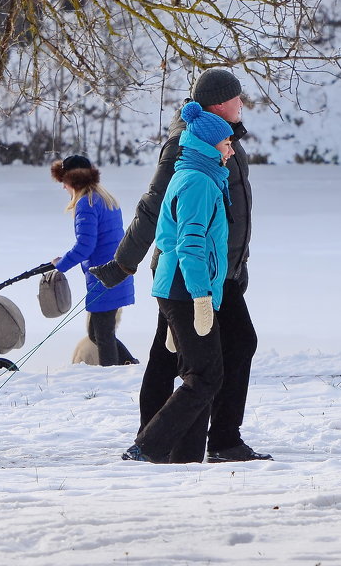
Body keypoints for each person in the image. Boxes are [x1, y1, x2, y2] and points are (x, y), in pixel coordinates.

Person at [92, 68, 270, 463]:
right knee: (197, 355)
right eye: (238, 98)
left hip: (217, 270)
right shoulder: (187, 147)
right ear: (218, 104)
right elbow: (154, 207)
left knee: (186, 355)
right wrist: (123, 264)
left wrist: (236, 264)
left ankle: (182, 442)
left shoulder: (224, 141)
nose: (243, 103)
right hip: (190, 275)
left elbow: (229, 213)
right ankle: (183, 441)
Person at [123, 102, 236, 463]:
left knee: (196, 372)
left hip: (178, 288)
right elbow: (190, 244)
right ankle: (147, 446)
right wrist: (201, 296)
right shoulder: (198, 182)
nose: (231, 148)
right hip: (186, 290)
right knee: (206, 376)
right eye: (226, 143)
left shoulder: (195, 175)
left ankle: (185, 458)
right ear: (208, 145)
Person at [50, 155, 137, 367]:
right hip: (113, 274)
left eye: (64, 181)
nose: (63, 187)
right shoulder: (105, 199)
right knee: (98, 332)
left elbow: (85, 246)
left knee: (102, 335)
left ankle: (113, 374)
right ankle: (129, 365)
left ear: (73, 180)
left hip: (105, 277)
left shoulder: (86, 204)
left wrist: (61, 265)